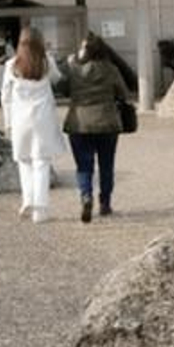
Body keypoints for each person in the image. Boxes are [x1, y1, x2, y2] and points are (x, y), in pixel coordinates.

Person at [57, 33, 134, 223]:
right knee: (106, 165)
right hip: (107, 123)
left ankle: (86, 196)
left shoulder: (73, 68)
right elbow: (123, 93)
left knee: (84, 166)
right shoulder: (110, 69)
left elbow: (61, 87)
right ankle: (105, 203)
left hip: (79, 123)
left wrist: (69, 62)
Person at [0, 27, 68, 223]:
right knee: (41, 162)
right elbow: (57, 79)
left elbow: (5, 97)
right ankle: (41, 209)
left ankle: (27, 199)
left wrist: (8, 123)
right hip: (43, 118)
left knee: (24, 160)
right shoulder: (46, 63)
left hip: (20, 119)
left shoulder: (11, 65)